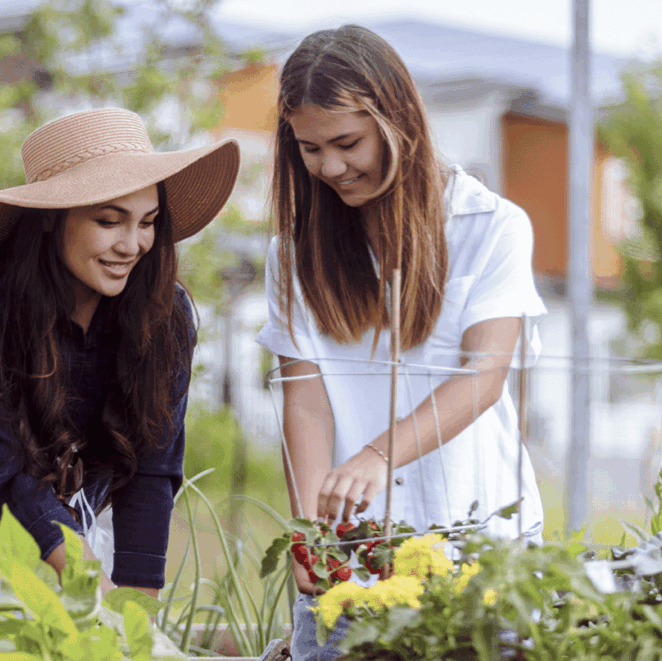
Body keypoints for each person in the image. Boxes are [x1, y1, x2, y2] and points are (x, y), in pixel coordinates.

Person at [0, 108, 240, 658]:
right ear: (50, 219)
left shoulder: (166, 314)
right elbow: (11, 479)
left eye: (148, 221)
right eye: (110, 221)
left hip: (79, 518)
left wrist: (135, 621)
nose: (133, 244)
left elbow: (153, 469)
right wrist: (91, 593)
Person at [254, 25, 548, 660]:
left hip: (479, 559)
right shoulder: (294, 255)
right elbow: (305, 402)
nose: (330, 167)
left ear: (397, 119)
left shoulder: (490, 228)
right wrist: (313, 534)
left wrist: (376, 457)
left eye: (347, 143)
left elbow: (483, 377)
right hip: (354, 571)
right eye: (309, 149)